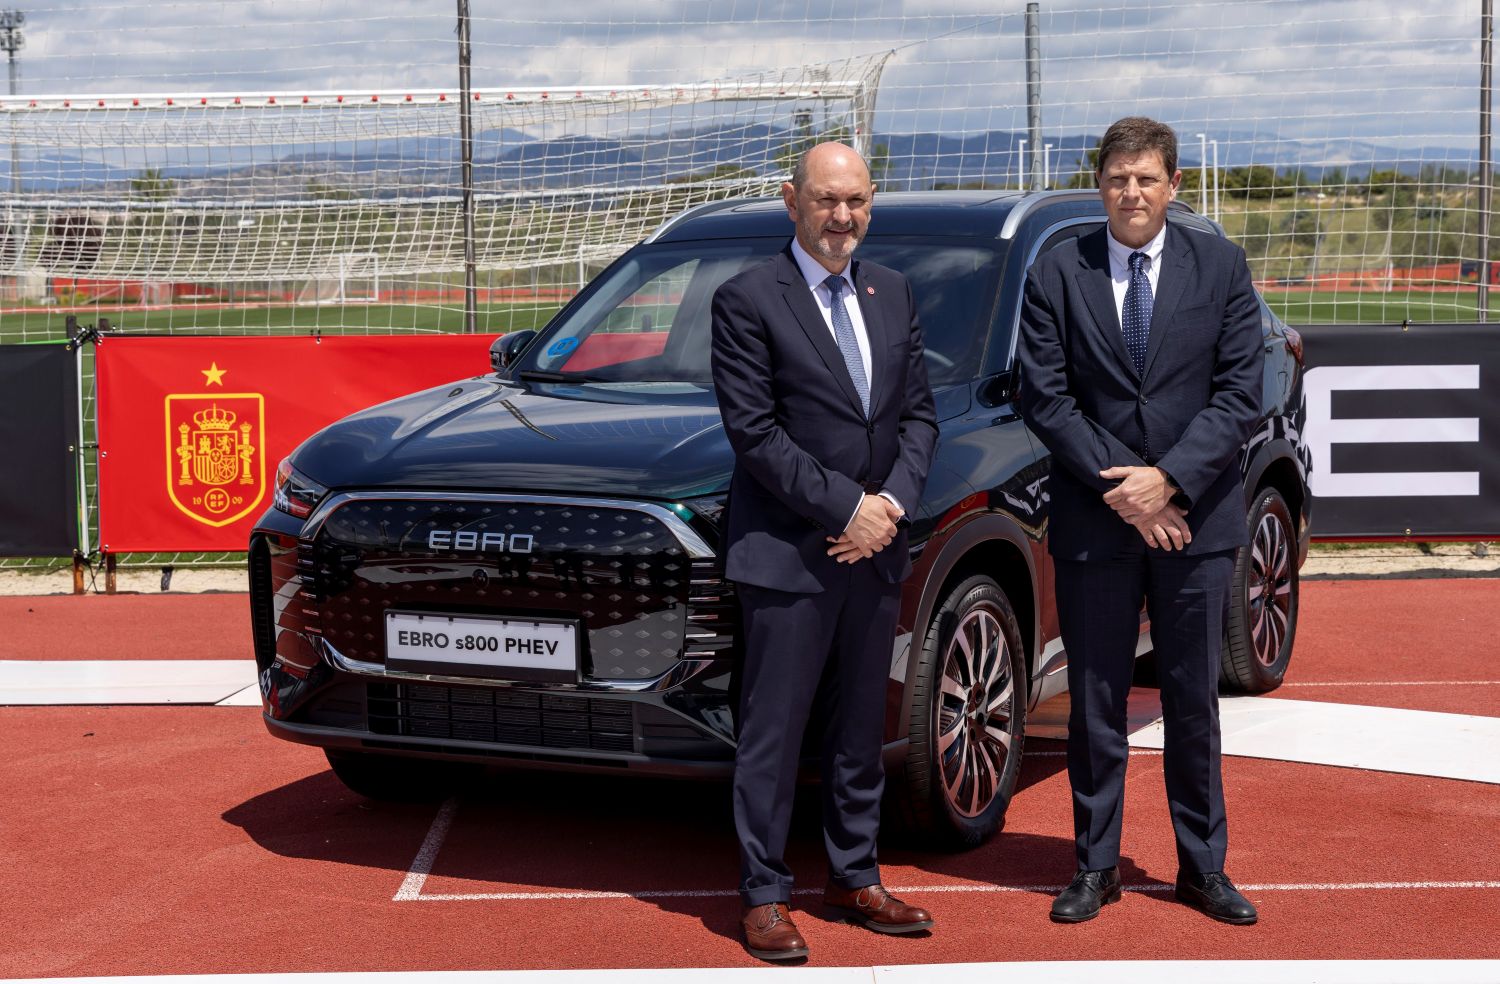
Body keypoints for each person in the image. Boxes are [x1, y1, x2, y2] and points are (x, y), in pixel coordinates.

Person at [1017, 116, 1264, 926]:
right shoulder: (1059, 270)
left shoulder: (1222, 266)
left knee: (1193, 699)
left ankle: (1202, 868)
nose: (1132, 192)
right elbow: (1044, 397)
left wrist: (1170, 484)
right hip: (1097, 519)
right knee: (1094, 704)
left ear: (1174, 185)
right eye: (1118, 178)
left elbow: (1239, 395)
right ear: (1101, 185)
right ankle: (1095, 867)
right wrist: (1126, 487)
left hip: (1194, 522)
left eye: (1147, 178)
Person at [709, 141, 939, 961]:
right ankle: (765, 894)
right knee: (773, 733)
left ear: (871, 202)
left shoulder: (893, 291)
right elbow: (755, 435)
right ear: (791, 200)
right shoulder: (746, 300)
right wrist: (847, 506)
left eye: (856, 202)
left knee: (856, 729)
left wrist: (891, 506)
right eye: (826, 201)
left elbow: (918, 417)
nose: (842, 217)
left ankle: (855, 875)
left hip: (874, 551)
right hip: (788, 556)